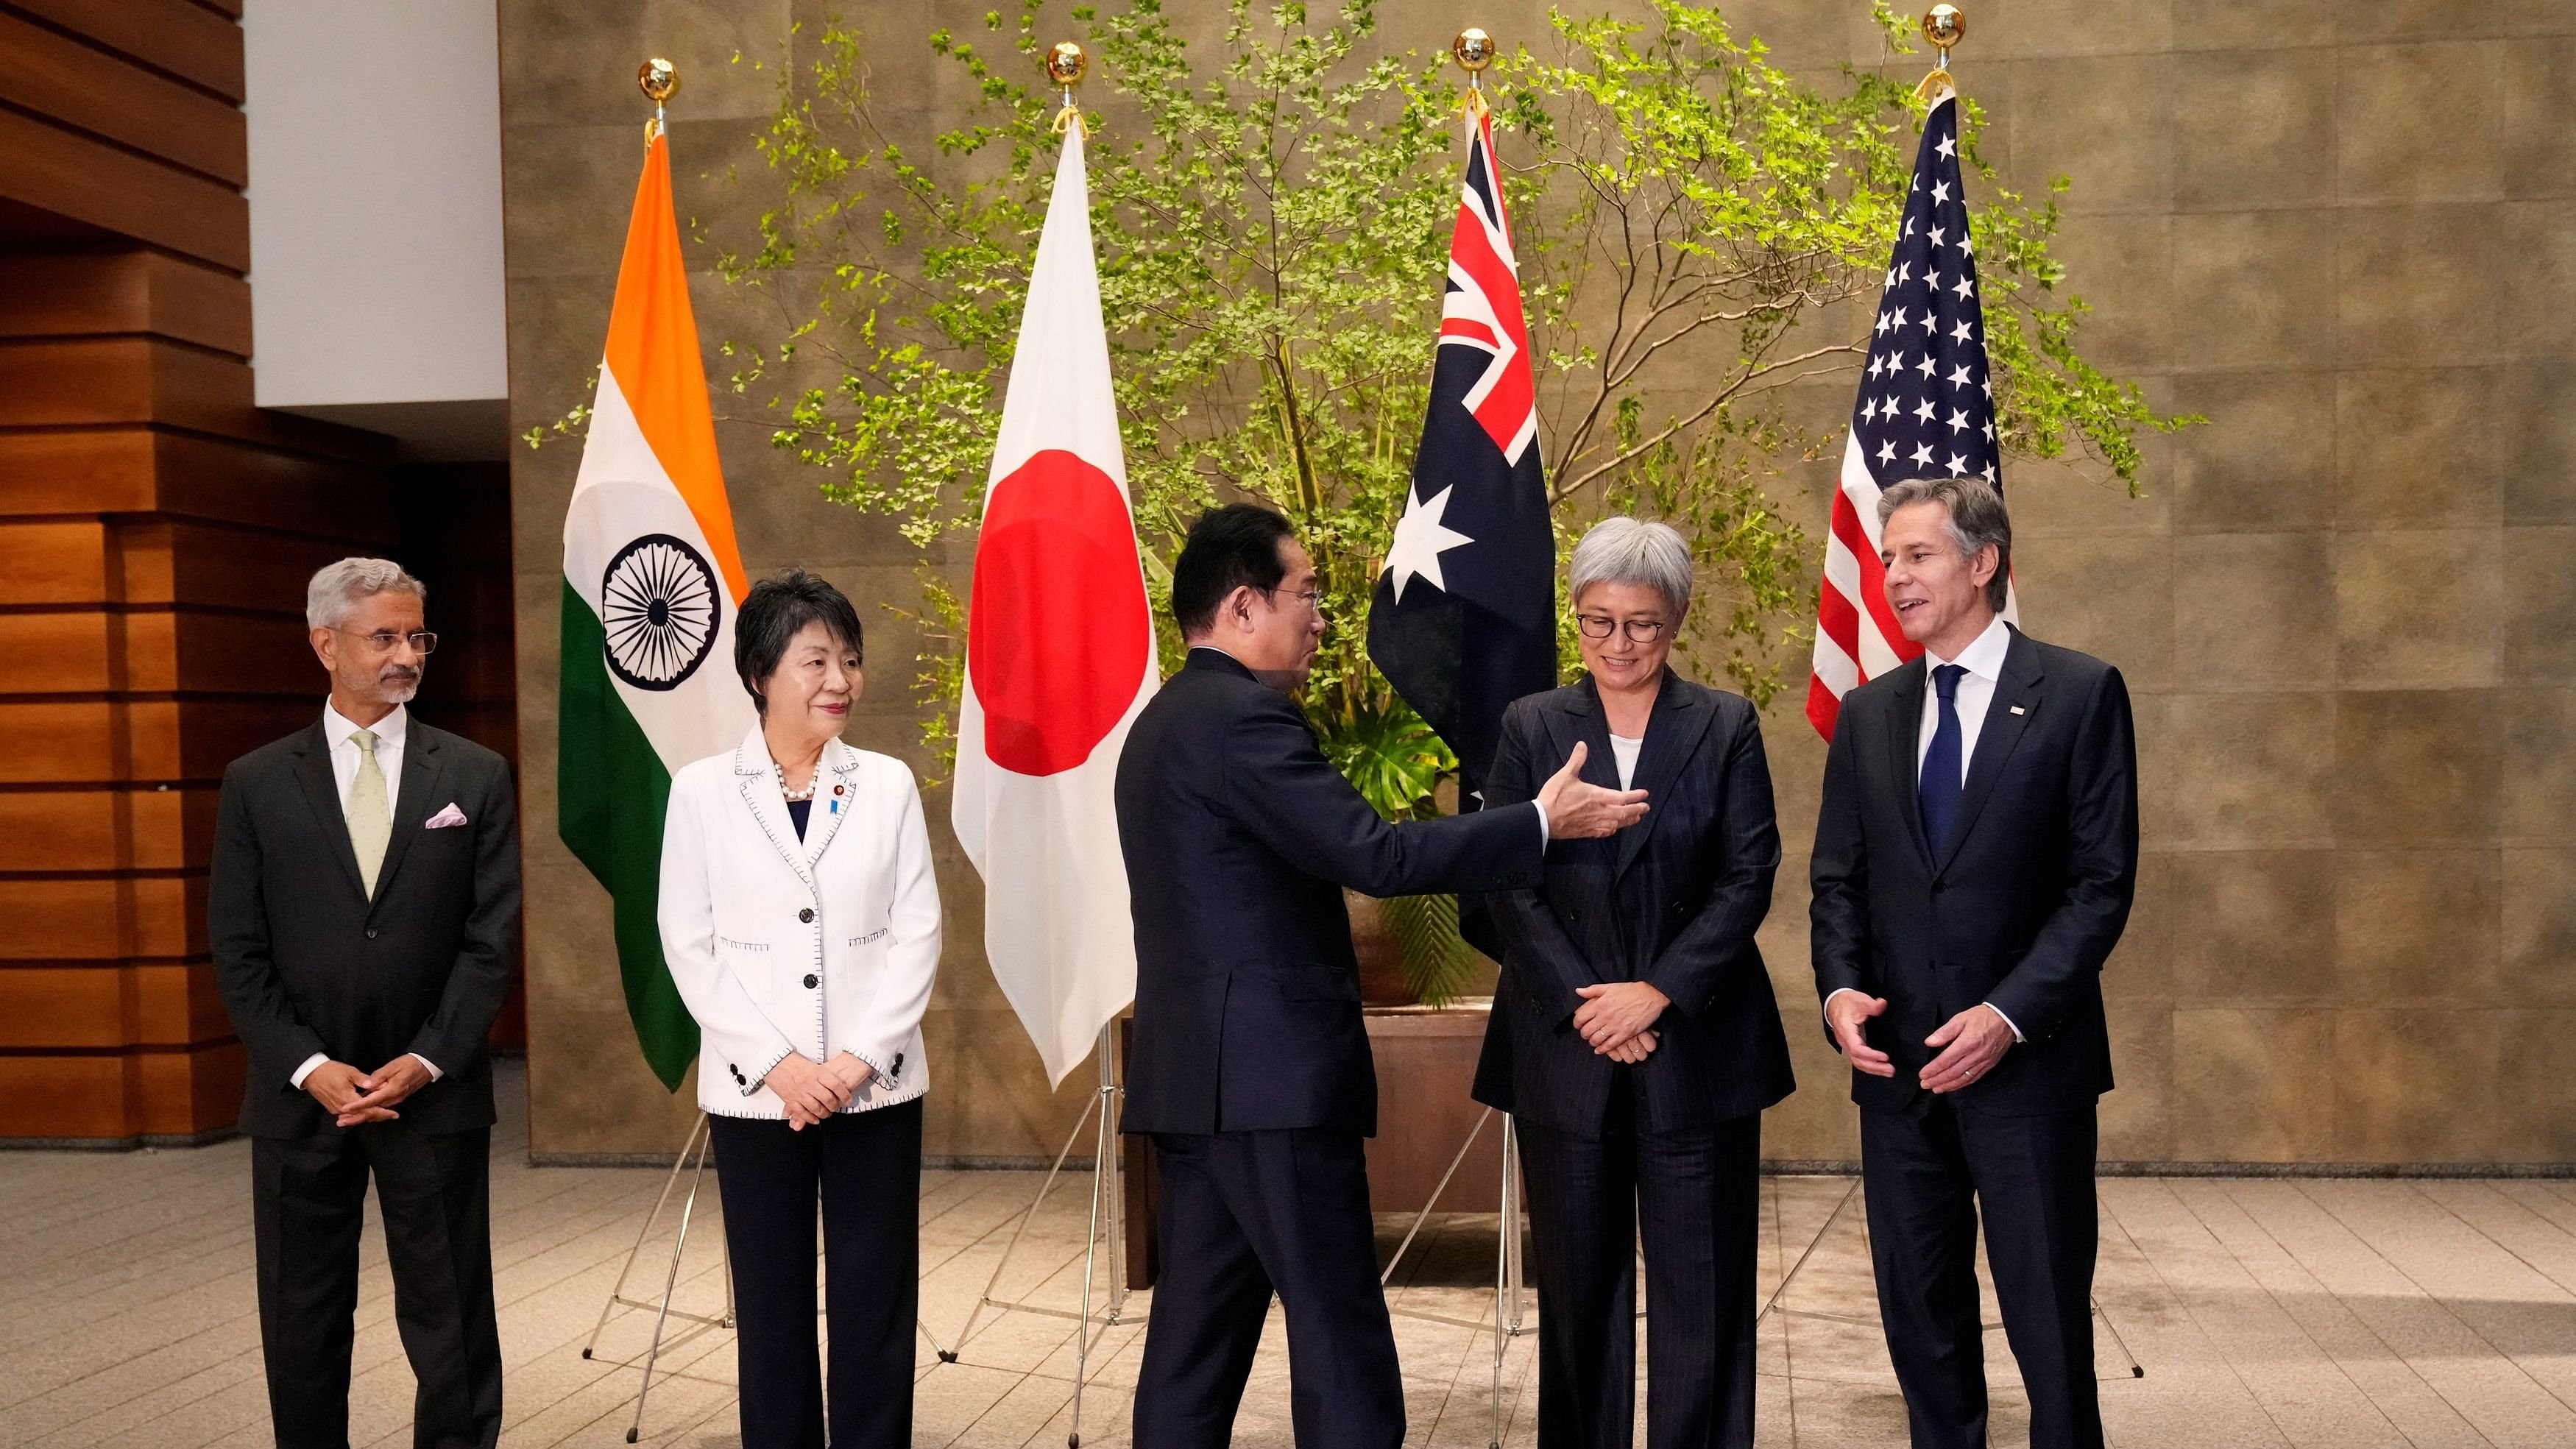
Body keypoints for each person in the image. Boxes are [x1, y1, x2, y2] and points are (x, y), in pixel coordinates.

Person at [1118, 503, 1650, 1449]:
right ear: (1243, 607)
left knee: (1193, 1352)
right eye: (1307, 594)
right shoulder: (1244, 722)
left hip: (1196, 1087)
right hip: (1272, 1090)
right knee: (1342, 1345)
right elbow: (1379, 857)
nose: (1320, 618)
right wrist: (1536, 820)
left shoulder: (1163, 722)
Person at [1810, 476, 2138, 1449]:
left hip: (2028, 1070)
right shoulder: (1869, 713)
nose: (1894, 576)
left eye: (1917, 555)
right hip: (1900, 1079)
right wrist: (1838, 988)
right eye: (1888, 557)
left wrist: (2006, 1016)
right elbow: (1840, 878)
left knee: (2047, 1322)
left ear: (1984, 562)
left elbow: (2101, 886)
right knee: (1923, 1324)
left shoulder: (2079, 693)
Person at [1471, 517, 1795, 1449]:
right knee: (1578, 1294)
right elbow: (1502, 877)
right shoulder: (1530, 725)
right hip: (1563, 1048)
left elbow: (1748, 875)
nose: (1619, 644)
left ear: (1678, 619)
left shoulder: (1724, 723)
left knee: (1703, 1291)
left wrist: (1652, 993)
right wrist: (1586, 1002)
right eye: (1597, 621)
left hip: (1693, 1046)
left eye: (1642, 624)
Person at [208, 559, 518, 1449]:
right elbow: (237, 946)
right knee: (302, 1319)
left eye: (416, 635)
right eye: (383, 636)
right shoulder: (258, 782)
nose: (406, 655)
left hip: (434, 1090)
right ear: (324, 643)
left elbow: (489, 941)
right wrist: (306, 1065)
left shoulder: (474, 773)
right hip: (301, 1094)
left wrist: (428, 1058)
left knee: (453, 1316)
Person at [657, 568, 940, 1449]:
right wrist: (778, 1064)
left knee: (875, 1301)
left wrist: (854, 1058)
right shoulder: (701, 791)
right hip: (757, 1094)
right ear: (757, 674)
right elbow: (688, 943)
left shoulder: (887, 783)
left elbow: (917, 932)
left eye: (849, 661)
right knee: (771, 1306)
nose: (839, 682)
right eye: (815, 660)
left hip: (875, 1086)